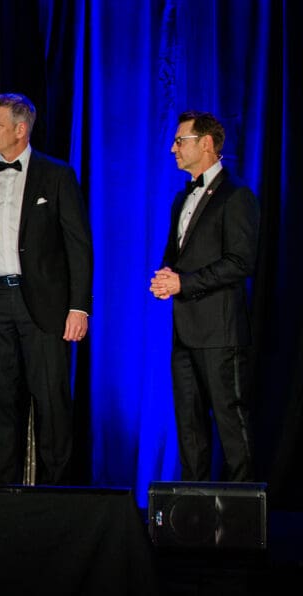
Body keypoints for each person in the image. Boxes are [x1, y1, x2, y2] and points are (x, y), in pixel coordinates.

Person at [0, 93, 92, 486]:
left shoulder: (57, 174)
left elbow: (78, 245)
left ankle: (56, 496)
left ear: (20, 128)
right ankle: (3, 496)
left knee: (51, 404)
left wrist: (78, 307)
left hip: (43, 305)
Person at [149, 110, 259, 482]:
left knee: (230, 422)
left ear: (207, 144)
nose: (172, 149)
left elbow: (240, 262)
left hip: (220, 334)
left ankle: (242, 520)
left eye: (181, 141)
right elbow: (176, 254)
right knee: (189, 426)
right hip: (184, 331)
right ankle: (192, 517)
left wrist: (185, 283)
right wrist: (166, 276)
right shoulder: (182, 199)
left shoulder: (236, 195)